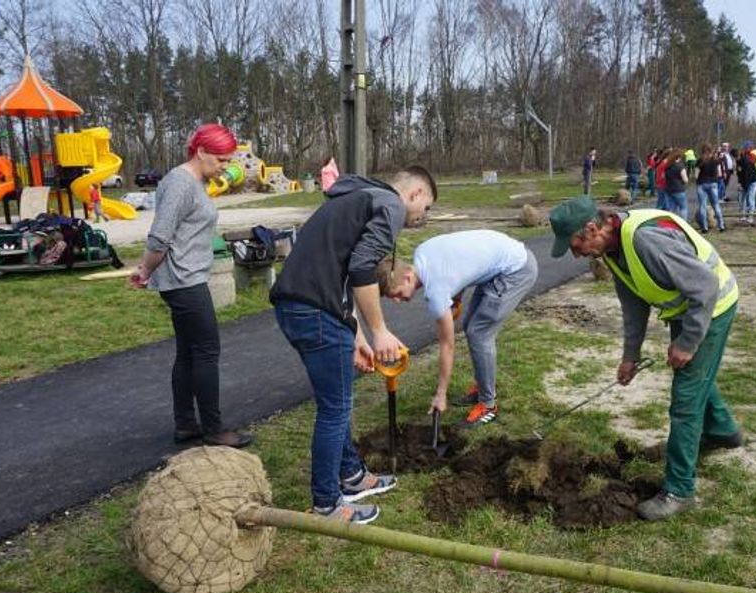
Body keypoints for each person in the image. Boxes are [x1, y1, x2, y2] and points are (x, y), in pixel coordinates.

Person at [548, 195, 743, 521]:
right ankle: (723, 430)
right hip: (687, 308)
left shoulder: (644, 241)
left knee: (686, 397)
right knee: (694, 377)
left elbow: (706, 287)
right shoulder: (611, 250)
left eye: (574, 245)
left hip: (713, 308)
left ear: (592, 228)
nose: (576, 254)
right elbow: (633, 305)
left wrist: (688, 342)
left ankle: (679, 490)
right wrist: (630, 356)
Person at [269, 165, 437, 524]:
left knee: (337, 400)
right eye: (426, 208)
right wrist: (379, 332)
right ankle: (327, 504)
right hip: (313, 311)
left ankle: (351, 475)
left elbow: (342, 276)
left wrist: (356, 336)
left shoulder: (359, 198)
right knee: (336, 407)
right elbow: (362, 270)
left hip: (305, 307)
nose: (423, 216)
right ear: (415, 195)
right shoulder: (389, 205)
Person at [129, 123, 253, 449]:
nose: (226, 167)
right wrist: (144, 270)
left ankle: (186, 424)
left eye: (229, 161)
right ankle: (214, 429)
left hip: (186, 277)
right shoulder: (181, 184)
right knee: (207, 352)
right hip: (183, 281)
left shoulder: (194, 181)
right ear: (201, 152)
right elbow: (160, 235)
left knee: (188, 353)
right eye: (222, 160)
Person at [377, 229, 538, 426]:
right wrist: (457, 296)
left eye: (397, 293)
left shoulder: (436, 292)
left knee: (479, 334)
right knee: (471, 325)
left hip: (515, 270)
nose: (397, 301)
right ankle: (483, 386)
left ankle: (488, 405)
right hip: (504, 259)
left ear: (408, 277)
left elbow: (447, 346)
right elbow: (458, 265)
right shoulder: (422, 252)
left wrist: (441, 394)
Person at [694, 143, 725, 233]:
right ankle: (721, 226)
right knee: (716, 205)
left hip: (702, 184)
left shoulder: (700, 160)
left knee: (702, 206)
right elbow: (720, 174)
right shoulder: (716, 160)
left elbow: (696, 175)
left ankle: (704, 228)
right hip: (713, 184)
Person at [662, 148, 689, 220]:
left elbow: (663, 177)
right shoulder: (680, 166)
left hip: (669, 189)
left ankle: (671, 225)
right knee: (683, 208)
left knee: (671, 209)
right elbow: (685, 180)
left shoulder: (667, 166)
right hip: (678, 189)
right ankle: (683, 225)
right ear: (679, 157)